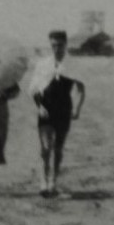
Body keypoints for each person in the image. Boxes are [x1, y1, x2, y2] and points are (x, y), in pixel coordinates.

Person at [27, 29, 87, 199]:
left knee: (58, 149)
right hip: (46, 109)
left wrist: (77, 108)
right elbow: (34, 89)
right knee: (45, 148)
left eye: (60, 45)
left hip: (64, 109)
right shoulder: (43, 64)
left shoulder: (72, 64)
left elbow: (81, 89)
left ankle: (54, 181)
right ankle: (43, 182)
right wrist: (39, 106)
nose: (56, 48)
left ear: (66, 45)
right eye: (53, 45)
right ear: (50, 45)